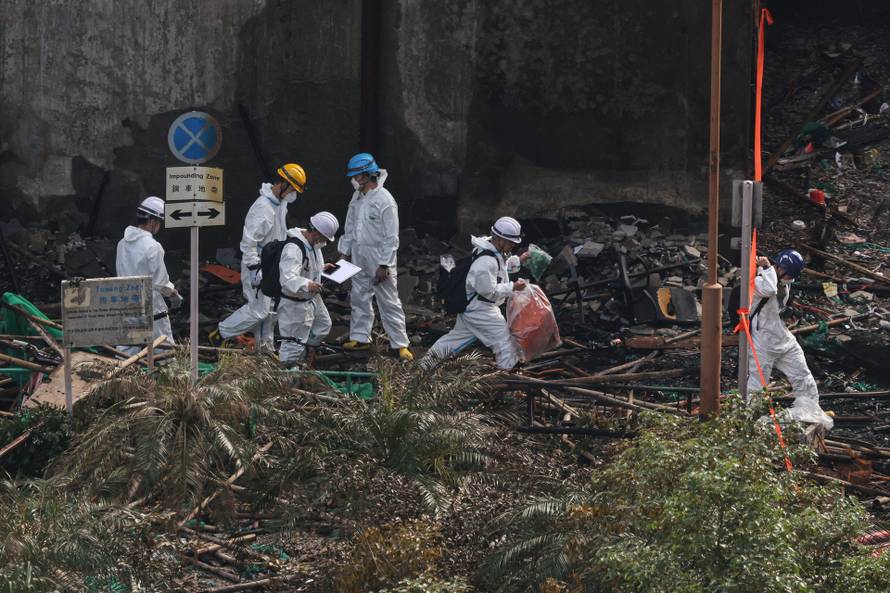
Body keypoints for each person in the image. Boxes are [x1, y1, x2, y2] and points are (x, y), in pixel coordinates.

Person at [211, 163, 307, 350]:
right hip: (258, 265)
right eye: (293, 189)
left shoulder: (280, 203)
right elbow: (248, 242)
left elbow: (280, 231)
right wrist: (255, 268)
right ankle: (221, 333)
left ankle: (265, 348)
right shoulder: (263, 208)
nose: (294, 194)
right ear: (283, 184)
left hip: (271, 263)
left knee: (269, 311)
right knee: (258, 311)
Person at [421, 216, 528, 370]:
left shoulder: (489, 249)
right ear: (499, 239)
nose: (512, 246)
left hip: (471, 306)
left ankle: (423, 367)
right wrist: (512, 287)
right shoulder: (485, 262)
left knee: (453, 341)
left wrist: (518, 260)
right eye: (510, 243)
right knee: (505, 342)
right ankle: (509, 374)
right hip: (480, 309)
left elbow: (500, 269)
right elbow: (488, 292)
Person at [337, 153, 413, 361]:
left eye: (356, 176)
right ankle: (361, 337)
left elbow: (391, 237)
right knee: (359, 296)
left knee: (388, 300)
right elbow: (350, 227)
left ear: (365, 176)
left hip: (378, 256)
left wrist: (384, 264)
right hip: (359, 255)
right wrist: (344, 253)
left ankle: (400, 344)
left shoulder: (385, 200)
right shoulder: (357, 198)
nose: (354, 180)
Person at [746, 249, 833, 430]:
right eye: (789, 273)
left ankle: (811, 412)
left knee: (803, 375)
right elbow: (769, 289)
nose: (791, 278)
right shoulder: (759, 281)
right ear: (779, 267)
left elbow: (776, 304)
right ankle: (749, 424)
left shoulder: (784, 281)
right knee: (757, 386)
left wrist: (788, 313)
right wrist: (766, 267)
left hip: (782, 338)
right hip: (763, 342)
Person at [115, 196, 182, 353]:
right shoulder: (153, 246)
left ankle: (118, 377)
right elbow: (161, 283)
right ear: (153, 222)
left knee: (125, 356)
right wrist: (174, 295)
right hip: (152, 310)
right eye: (159, 222)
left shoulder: (122, 244)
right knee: (166, 354)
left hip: (128, 305)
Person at [278, 212, 339, 367]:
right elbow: (287, 278)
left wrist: (322, 269)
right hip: (295, 304)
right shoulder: (293, 249)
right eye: (324, 238)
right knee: (292, 345)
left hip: (312, 299)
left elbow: (308, 266)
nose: (325, 242)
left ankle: (305, 355)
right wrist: (307, 285)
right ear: (317, 233)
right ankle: (286, 379)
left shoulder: (313, 245)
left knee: (323, 325)